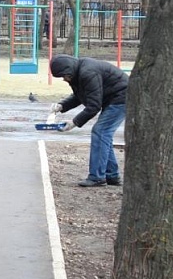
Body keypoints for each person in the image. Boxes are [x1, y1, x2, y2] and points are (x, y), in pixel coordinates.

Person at [49, 54, 128, 187]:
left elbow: (94, 106)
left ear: (69, 70)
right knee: (104, 134)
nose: (64, 79)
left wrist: (74, 123)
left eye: (64, 76)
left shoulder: (88, 73)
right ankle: (111, 175)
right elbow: (80, 95)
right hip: (112, 98)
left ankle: (97, 177)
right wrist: (62, 106)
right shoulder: (78, 73)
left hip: (122, 97)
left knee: (100, 131)